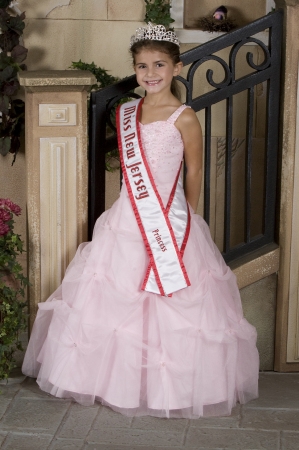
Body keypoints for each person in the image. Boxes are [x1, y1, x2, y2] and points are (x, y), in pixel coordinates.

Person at [22, 23, 259, 419]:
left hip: (170, 221)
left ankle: (169, 389)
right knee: (120, 298)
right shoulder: (128, 111)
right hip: (126, 219)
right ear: (135, 70)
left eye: (159, 65)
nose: (150, 73)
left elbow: (195, 172)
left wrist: (189, 218)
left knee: (169, 303)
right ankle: (112, 382)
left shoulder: (184, 117)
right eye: (142, 66)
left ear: (177, 68)